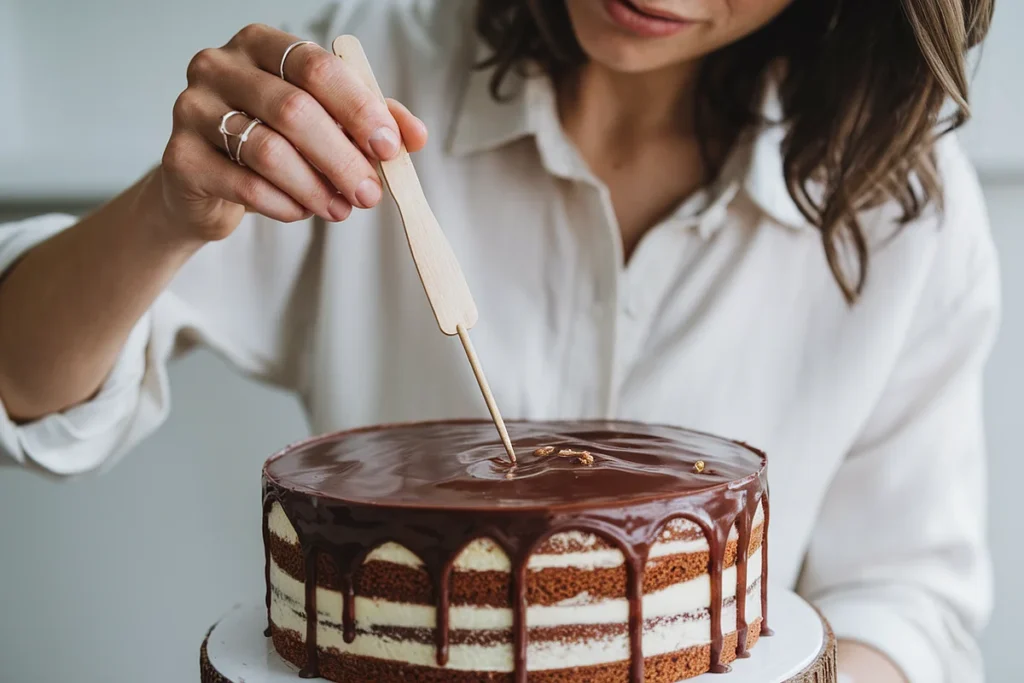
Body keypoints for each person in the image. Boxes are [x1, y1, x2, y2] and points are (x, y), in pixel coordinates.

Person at [0, 0, 998, 680]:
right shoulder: (375, 79)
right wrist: (168, 213)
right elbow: (23, 378)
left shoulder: (903, 205)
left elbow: (907, 599)